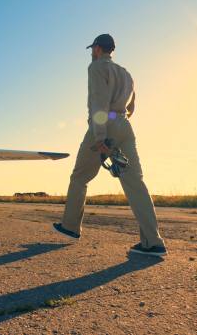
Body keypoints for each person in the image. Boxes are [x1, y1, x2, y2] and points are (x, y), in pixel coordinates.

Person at [53, 34, 167, 257]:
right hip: (124, 126)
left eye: (92, 49)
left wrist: (100, 138)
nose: (91, 54)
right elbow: (132, 105)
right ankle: (152, 242)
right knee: (136, 183)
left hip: (104, 127)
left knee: (80, 178)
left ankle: (70, 226)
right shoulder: (126, 74)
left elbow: (99, 101)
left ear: (97, 49)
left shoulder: (96, 68)